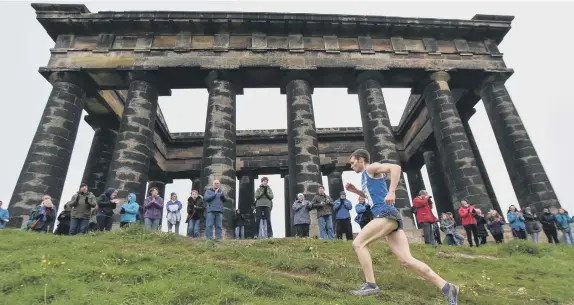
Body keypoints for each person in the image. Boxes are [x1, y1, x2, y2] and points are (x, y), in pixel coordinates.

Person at [344, 149, 459, 304]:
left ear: (361, 159)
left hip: (386, 214)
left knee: (358, 243)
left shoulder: (371, 168)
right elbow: (373, 196)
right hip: (389, 217)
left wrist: (392, 192)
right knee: (406, 260)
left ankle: (371, 285)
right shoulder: (365, 177)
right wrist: (356, 191)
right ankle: (447, 287)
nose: (351, 166)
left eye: (352, 163)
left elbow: (395, 168)